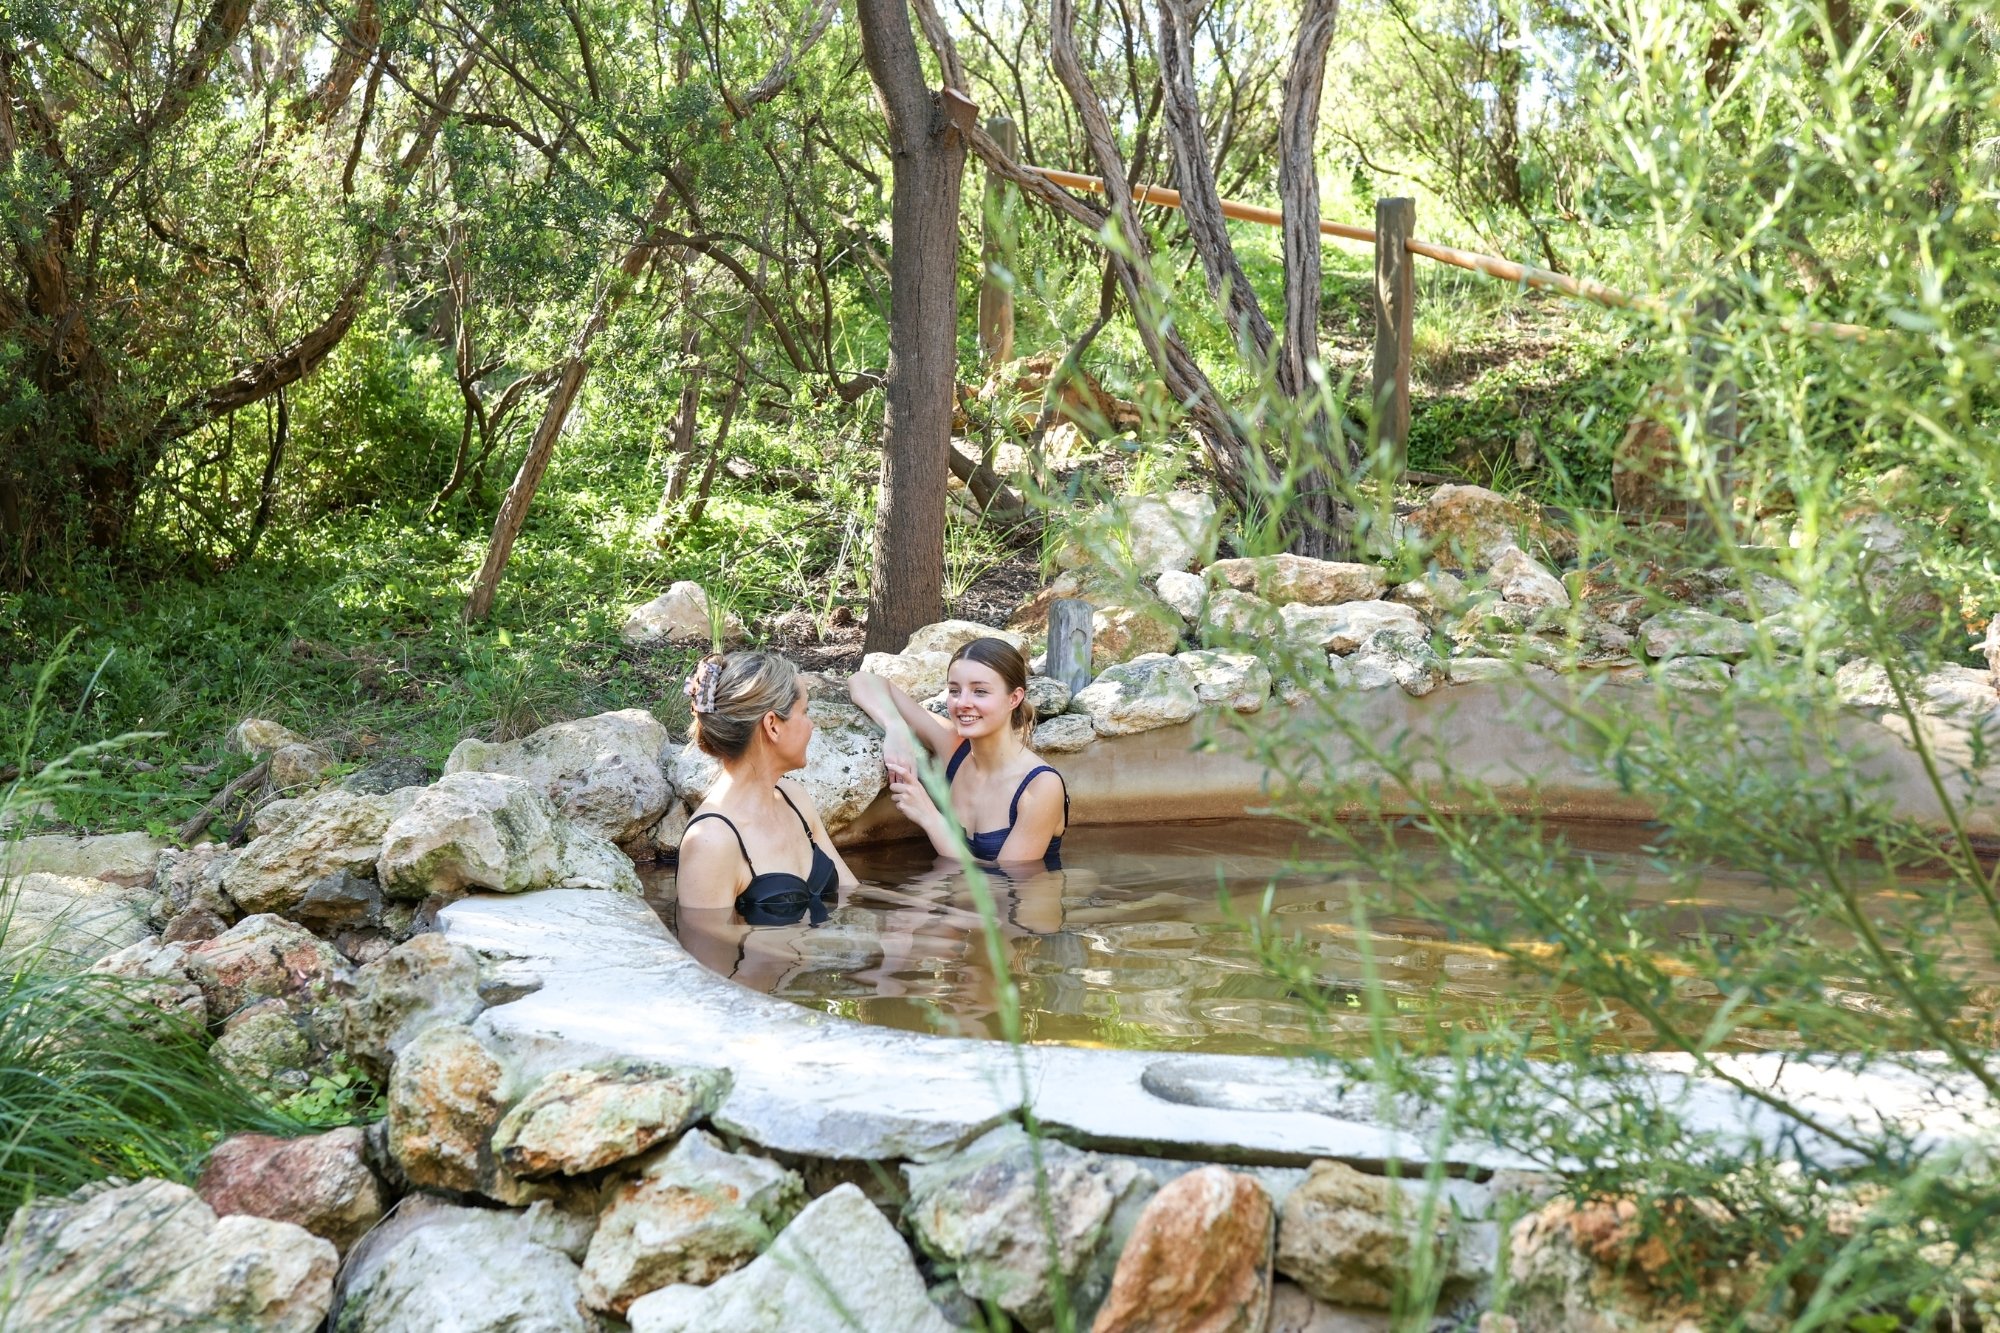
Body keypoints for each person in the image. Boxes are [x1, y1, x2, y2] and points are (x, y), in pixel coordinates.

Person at [849, 636, 1068, 868]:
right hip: (953, 889)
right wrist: (896, 728)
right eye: (954, 690)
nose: (962, 703)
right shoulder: (953, 747)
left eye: (979, 691)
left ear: (1014, 698)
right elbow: (862, 680)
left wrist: (929, 816)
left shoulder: (1040, 786)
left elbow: (1005, 881)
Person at [676, 651, 859, 923]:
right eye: (805, 712)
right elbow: (707, 943)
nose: (811, 726)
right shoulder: (710, 842)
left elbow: (851, 893)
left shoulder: (794, 799)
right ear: (772, 725)